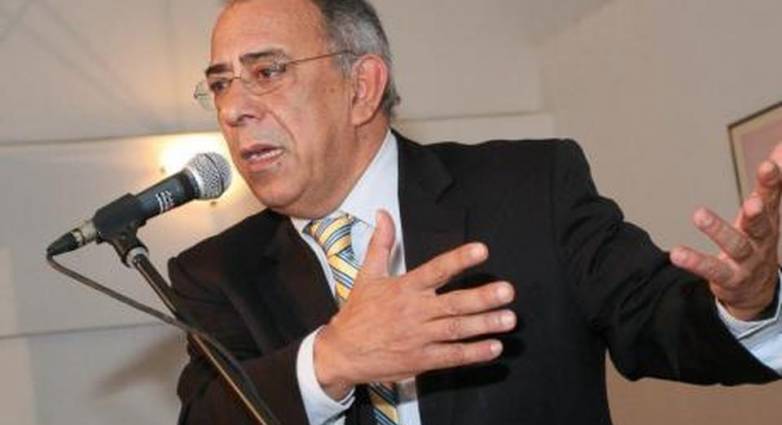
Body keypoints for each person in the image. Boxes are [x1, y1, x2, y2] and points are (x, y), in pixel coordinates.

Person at [168, 0, 782, 424]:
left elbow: (653, 319)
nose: (233, 109)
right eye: (220, 83)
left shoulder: (529, 187)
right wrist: (331, 359)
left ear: (362, 87)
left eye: (267, 72)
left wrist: (748, 303)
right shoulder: (216, 272)